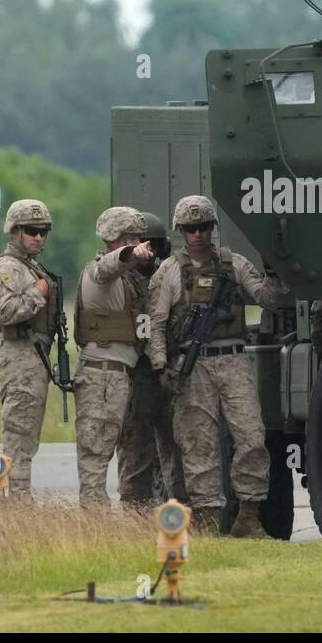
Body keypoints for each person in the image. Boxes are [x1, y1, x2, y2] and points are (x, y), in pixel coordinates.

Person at [146, 195, 289, 537]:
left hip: (233, 360)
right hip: (192, 366)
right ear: (181, 231)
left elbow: (267, 298)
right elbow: (156, 323)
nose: (197, 235)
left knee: (252, 436)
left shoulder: (232, 264)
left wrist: (274, 270)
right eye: (190, 229)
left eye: (203, 227)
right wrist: (161, 364)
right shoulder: (169, 271)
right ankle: (208, 519)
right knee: (199, 444)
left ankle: (249, 515)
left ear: (213, 228)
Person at [72, 206, 155, 506]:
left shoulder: (130, 282)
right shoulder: (100, 273)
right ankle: (94, 521)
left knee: (107, 447)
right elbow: (110, 265)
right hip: (101, 377)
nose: (137, 242)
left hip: (117, 376)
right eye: (128, 237)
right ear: (111, 239)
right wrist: (131, 254)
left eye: (138, 237)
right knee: (95, 453)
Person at [0, 198, 57, 497]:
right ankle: (17, 505)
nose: (38, 237)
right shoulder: (9, 268)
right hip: (19, 356)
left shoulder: (29, 266)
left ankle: (12, 499)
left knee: (25, 438)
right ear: (14, 231)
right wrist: (38, 294)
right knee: (19, 439)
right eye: (31, 230)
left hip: (31, 356)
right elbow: (4, 313)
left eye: (43, 231)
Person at [116, 211, 188, 506]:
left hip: (169, 369)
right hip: (137, 372)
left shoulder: (170, 276)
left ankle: (182, 510)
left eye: (154, 245)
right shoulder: (119, 280)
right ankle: (135, 511)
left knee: (178, 446)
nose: (149, 252)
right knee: (136, 447)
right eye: (143, 244)